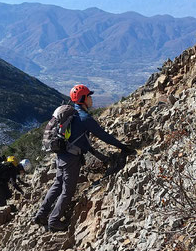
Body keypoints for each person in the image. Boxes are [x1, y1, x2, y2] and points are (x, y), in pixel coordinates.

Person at [34, 84, 136, 231]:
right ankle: (53, 221)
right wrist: (123, 147)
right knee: (67, 191)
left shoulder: (71, 112)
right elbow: (103, 136)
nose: (91, 99)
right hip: (71, 158)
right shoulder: (84, 118)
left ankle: (41, 214)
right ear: (83, 99)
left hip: (61, 154)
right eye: (89, 96)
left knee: (57, 184)